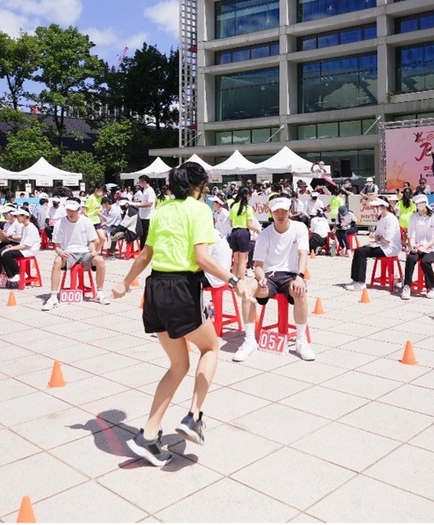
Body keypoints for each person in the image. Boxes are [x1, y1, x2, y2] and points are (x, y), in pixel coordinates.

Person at [111, 162, 242, 466]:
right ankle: (194, 417)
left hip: (154, 289)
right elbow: (201, 259)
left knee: (178, 364)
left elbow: (145, 254)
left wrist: (124, 283)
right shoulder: (199, 210)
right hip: (183, 287)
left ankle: (148, 435)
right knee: (210, 347)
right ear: (200, 186)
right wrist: (235, 280)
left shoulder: (162, 210)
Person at [233, 194, 315, 362]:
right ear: (271, 212)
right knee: (248, 289)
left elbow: (303, 254)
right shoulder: (265, 234)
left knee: (300, 291)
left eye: (284, 211)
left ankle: (301, 340)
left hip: (291, 274)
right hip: (269, 276)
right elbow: (258, 265)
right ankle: (249, 340)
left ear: (290, 211)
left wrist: (300, 276)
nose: (280, 215)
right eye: (276, 211)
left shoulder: (299, 228)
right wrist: (261, 278)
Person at [44, 198, 108, 309]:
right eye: (68, 210)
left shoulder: (86, 221)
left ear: (79, 210)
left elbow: (92, 241)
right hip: (68, 253)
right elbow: (57, 246)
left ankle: (99, 292)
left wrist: (93, 250)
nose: (70, 213)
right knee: (57, 262)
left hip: (85, 252)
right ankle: (53, 296)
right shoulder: (60, 222)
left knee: (100, 261)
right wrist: (60, 252)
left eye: (73, 210)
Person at [344, 197, 402, 291]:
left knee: (362, 252)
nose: (374, 209)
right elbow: (378, 235)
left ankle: (361, 282)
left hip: (390, 248)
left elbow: (386, 240)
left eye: (376, 207)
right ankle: (355, 279)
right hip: (381, 244)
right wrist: (375, 237)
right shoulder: (381, 219)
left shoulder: (391, 218)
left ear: (383, 207)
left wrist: (377, 238)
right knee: (359, 250)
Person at [401, 194, 434, 299]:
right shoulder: (413, 218)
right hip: (418, 246)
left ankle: (432, 287)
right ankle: (406, 286)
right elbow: (411, 235)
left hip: (433, 246)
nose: (420, 205)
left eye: (422, 203)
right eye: (418, 203)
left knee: (425, 261)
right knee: (410, 258)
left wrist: (426, 247)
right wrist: (413, 246)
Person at [0, 208, 41, 284]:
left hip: (30, 250)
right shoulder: (24, 227)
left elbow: (25, 245)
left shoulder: (31, 228)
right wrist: (11, 247)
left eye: (18, 216)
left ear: (24, 216)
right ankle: (12, 275)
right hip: (25, 248)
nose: (17, 218)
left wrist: (11, 249)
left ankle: (19, 273)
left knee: (7, 254)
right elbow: (22, 242)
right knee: (4, 253)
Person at [227, 187, 260, 280]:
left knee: (236, 260)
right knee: (243, 260)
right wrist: (257, 230)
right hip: (243, 233)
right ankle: (241, 281)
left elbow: (231, 223)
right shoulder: (248, 208)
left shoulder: (233, 207)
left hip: (234, 232)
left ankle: (233, 281)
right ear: (247, 195)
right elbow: (249, 225)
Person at [133, 175, 157, 241]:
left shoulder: (150, 190)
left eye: (140, 182)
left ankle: (144, 250)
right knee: (142, 235)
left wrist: (138, 206)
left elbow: (150, 203)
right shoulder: (145, 190)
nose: (139, 183)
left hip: (148, 216)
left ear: (144, 182)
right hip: (143, 216)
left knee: (145, 235)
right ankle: (142, 249)